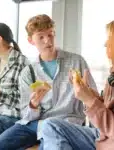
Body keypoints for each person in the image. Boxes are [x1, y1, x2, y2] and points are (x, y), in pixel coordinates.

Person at [0, 14, 96, 150]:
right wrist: (33, 104)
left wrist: (86, 95)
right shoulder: (28, 72)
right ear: (31, 40)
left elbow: (94, 101)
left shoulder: (77, 62)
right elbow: (25, 114)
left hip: (67, 123)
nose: (48, 40)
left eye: (50, 34)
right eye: (41, 37)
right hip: (35, 124)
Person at [40, 20, 114, 150]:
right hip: (103, 135)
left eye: (109, 39)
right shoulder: (112, 74)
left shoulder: (77, 60)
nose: (105, 44)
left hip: (108, 139)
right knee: (49, 125)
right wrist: (91, 95)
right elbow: (108, 108)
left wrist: (89, 100)